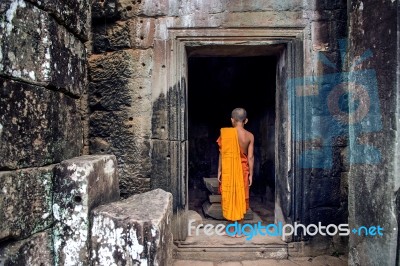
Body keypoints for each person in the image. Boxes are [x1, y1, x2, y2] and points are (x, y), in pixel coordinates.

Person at [217, 107, 254, 237]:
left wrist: (219, 170)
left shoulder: (226, 134)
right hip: (243, 170)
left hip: (228, 170)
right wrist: (251, 174)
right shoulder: (249, 136)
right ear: (246, 120)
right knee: (241, 197)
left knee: (230, 195)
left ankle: (231, 229)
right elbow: (250, 157)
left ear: (232, 120)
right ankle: (239, 230)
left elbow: (222, 154)